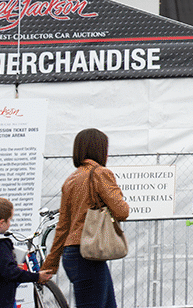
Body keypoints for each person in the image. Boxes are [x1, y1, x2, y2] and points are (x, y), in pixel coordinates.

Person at [43, 128, 130, 308]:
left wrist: (50, 264)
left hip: (72, 255)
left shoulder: (71, 179)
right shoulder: (100, 173)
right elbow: (122, 211)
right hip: (88, 255)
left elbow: (62, 227)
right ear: (100, 149)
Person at [0, 197, 51, 308]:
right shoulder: (1, 244)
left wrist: (11, 268)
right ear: (1, 223)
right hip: (0, 301)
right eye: (9, 220)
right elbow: (10, 272)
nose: (10, 224)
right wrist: (37, 276)